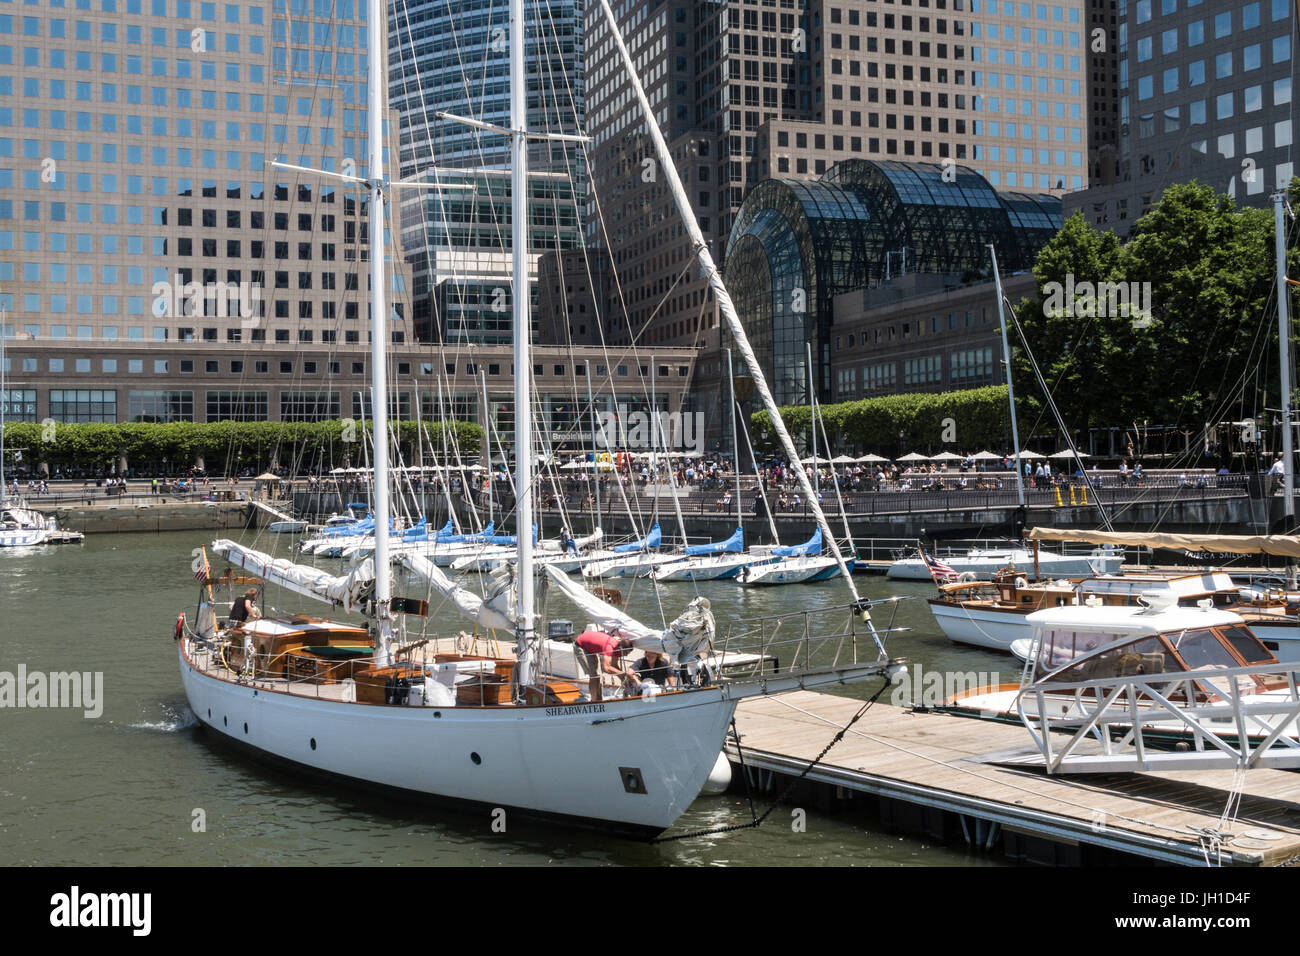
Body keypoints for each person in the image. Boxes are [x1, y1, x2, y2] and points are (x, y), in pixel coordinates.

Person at [575, 625, 640, 701]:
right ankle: (594, 701)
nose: (626, 655)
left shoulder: (617, 649)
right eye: (625, 652)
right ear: (620, 648)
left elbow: (614, 667)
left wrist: (625, 681)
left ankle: (599, 698)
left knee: (597, 676)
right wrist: (623, 673)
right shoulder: (609, 648)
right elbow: (606, 668)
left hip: (589, 646)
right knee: (594, 676)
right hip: (581, 645)